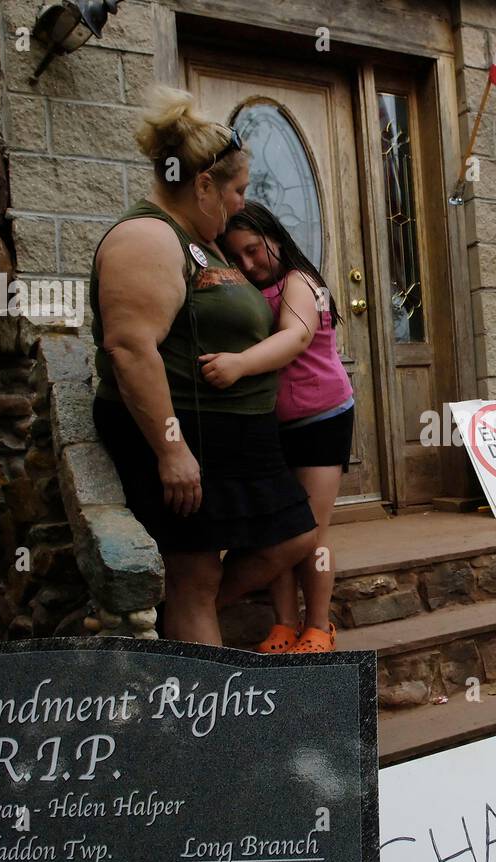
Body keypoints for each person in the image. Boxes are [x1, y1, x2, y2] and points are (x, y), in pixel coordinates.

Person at [88, 87, 318, 645]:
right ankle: (207, 715)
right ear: (204, 184)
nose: (243, 203)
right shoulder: (146, 237)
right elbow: (131, 348)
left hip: (239, 438)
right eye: (238, 190)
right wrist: (171, 451)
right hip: (186, 435)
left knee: (295, 537)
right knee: (195, 573)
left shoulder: (203, 243)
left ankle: (180, 626)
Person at [213, 203, 355, 654]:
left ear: (274, 236)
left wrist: (237, 365)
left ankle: (318, 625)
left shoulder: (300, 282)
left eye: (254, 250)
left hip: (321, 418)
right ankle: (284, 624)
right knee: (280, 530)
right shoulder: (249, 290)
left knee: (311, 532)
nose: (249, 264)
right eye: (236, 258)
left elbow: (294, 337)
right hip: (274, 425)